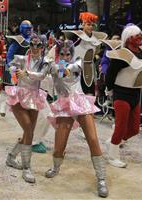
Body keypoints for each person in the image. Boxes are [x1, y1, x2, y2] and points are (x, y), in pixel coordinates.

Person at [45, 39, 108, 198]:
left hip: (80, 102)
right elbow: (52, 71)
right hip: (64, 106)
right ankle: (56, 168)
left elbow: (70, 69)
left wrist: (62, 67)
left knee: (93, 139)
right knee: (59, 146)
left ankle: (101, 179)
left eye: (68, 53)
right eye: (62, 53)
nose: (65, 56)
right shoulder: (53, 65)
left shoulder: (77, 62)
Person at [105, 25, 142, 168]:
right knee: (120, 127)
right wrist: (109, 90)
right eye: (136, 36)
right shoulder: (122, 55)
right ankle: (112, 155)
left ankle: (112, 142)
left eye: (140, 35)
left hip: (136, 94)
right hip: (121, 94)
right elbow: (110, 75)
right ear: (128, 38)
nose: (140, 38)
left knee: (134, 129)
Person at [5, 33, 52, 183]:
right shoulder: (22, 58)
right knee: (29, 131)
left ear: (43, 46)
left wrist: (26, 73)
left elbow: (41, 76)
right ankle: (27, 168)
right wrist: (13, 70)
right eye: (32, 44)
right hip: (20, 97)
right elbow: (10, 65)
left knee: (28, 132)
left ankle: (12, 157)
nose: (35, 48)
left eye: (38, 45)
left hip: (34, 98)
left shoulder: (46, 62)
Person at [63, 12, 108, 95]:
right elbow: (65, 50)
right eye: (88, 24)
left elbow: (97, 52)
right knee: (77, 95)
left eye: (92, 25)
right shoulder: (76, 37)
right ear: (83, 24)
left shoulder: (96, 39)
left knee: (90, 94)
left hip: (90, 69)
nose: (90, 27)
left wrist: (96, 57)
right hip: (76, 69)